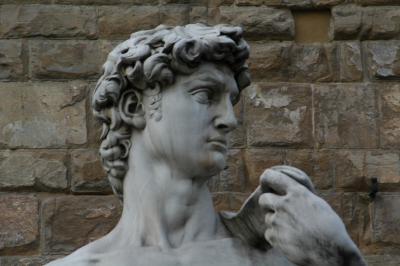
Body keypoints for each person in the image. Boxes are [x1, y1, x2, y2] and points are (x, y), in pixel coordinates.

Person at [47, 24, 366, 266]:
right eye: (206, 95)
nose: (230, 119)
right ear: (135, 107)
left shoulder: (287, 255)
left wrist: (337, 258)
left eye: (231, 101)